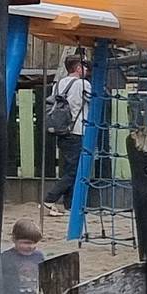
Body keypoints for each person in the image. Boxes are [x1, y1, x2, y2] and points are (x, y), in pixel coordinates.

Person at [47, 54, 92, 203]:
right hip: (77, 130)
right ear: (78, 68)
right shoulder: (83, 85)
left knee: (69, 167)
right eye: (85, 66)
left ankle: (69, 203)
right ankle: (50, 199)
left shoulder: (58, 84)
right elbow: (93, 99)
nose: (87, 70)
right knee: (74, 171)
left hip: (62, 129)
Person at [4, 221, 47, 294]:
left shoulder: (38, 256)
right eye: (26, 243)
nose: (30, 247)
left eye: (34, 243)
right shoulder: (6, 258)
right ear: (14, 239)